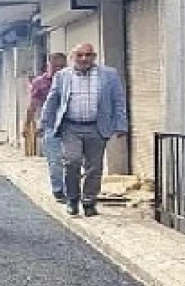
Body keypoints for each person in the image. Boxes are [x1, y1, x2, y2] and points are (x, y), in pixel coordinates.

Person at [39, 43, 129, 217]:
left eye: (88, 55)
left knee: (94, 168)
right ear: (73, 57)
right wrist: (44, 123)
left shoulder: (109, 75)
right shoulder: (62, 76)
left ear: (94, 57)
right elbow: (53, 100)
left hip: (97, 127)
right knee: (72, 161)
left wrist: (121, 124)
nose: (84, 59)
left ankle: (89, 201)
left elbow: (118, 101)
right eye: (79, 55)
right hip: (70, 127)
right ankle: (72, 199)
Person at [30, 52, 69, 203]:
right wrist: (30, 124)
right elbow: (33, 105)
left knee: (73, 160)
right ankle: (59, 189)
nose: (59, 69)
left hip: (70, 126)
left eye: (62, 66)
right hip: (50, 125)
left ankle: (71, 189)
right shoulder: (39, 82)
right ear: (48, 64)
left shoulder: (71, 80)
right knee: (55, 160)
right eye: (55, 66)